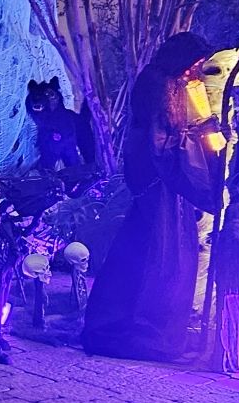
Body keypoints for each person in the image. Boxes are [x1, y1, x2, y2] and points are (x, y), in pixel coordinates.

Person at [81, 32, 218, 361]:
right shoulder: (159, 83)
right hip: (157, 183)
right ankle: (146, 336)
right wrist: (192, 153)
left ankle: (139, 332)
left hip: (162, 185)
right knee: (161, 257)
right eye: (195, 63)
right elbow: (158, 139)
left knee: (150, 252)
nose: (197, 70)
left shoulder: (179, 84)